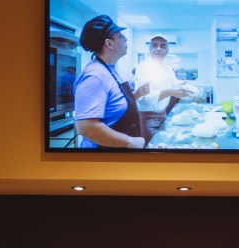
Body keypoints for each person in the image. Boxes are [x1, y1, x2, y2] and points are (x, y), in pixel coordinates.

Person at [74, 15, 146, 149]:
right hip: (100, 158)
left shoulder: (109, 69)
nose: (125, 39)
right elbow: (86, 127)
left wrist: (137, 94)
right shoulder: (94, 76)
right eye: (120, 36)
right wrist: (130, 141)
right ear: (109, 43)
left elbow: (114, 106)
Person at [134, 34, 195, 142]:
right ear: (149, 48)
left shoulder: (167, 67)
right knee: (152, 149)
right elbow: (146, 97)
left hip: (163, 114)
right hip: (147, 118)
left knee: (162, 146)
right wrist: (170, 91)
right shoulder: (142, 67)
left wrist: (191, 89)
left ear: (167, 50)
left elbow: (175, 84)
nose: (158, 49)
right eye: (155, 45)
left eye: (162, 46)